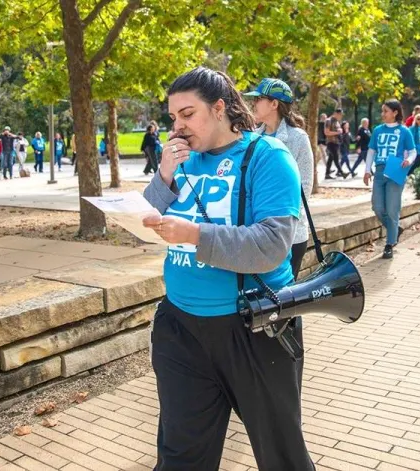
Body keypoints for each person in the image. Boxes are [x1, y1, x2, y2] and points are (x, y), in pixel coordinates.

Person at [139, 67, 312, 471]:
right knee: (181, 454)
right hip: (180, 328)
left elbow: (271, 246)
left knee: (280, 453)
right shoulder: (181, 160)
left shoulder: (267, 157)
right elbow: (148, 218)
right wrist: (163, 174)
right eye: (172, 118)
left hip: (253, 329)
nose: (177, 127)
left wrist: (196, 234)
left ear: (219, 108)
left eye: (187, 114)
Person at [245, 77, 315, 276]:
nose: (254, 103)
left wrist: (283, 224)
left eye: (259, 99)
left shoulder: (298, 138)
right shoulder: (253, 137)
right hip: (255, 233)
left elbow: (305, 186)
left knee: (285, 298)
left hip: (289, 236)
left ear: (274, 104)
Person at [363, 99, 417, 259]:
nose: (383, 114)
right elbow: (371, 151)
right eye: (382, 111)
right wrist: (367, 171)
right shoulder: (378, 130)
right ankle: (396, 229)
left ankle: (389, 244)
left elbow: (413, 151)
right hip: (379, 172)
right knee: (378, 208)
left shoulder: (404, 131)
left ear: (395, 113)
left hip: (396, 170)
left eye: (386, 111)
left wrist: (409, 160)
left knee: (392, 210)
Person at [324, 108, 346, 179]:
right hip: (331, 143)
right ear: (336, 113)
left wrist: (340, 131)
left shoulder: (337, 122)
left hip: (337, 143)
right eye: (340, 115)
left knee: (330, 159)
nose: (341, 116)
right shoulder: (328, 120)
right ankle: (342, 173)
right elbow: (326, 132)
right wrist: (337, 132)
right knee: (336, 158)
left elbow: (338, 131)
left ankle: (327, 174)